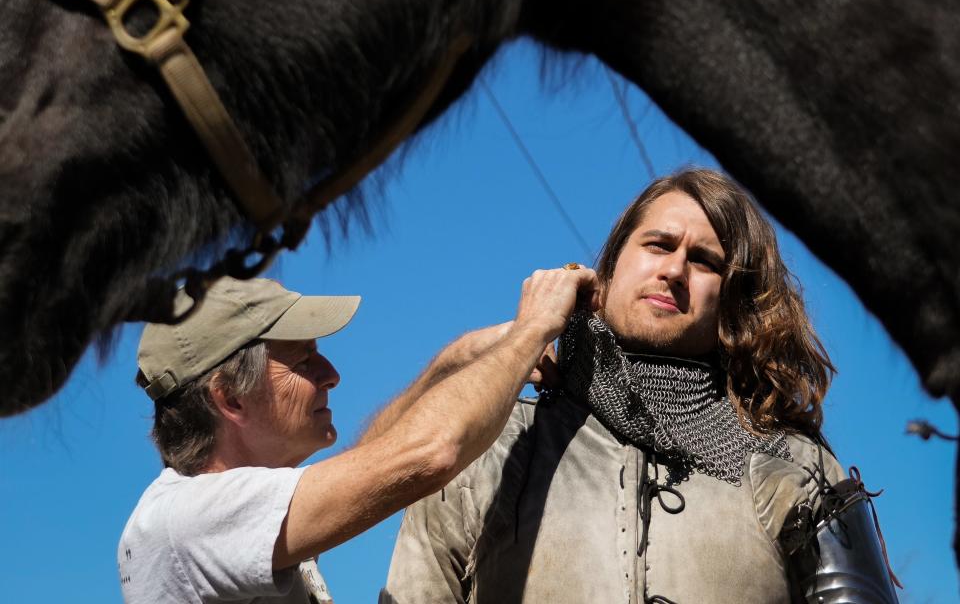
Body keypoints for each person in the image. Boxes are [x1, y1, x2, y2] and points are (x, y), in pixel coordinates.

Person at [381, 168, 901, 604]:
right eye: (658, 245)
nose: (675, 269)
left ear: (732, 301)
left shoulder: (793, 466)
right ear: (604, 275)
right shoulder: (492, 444)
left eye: (704, 261)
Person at [117, 264, 598, 603]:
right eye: (304, 360)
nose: (330, 374)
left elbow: (370, 462)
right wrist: (533, 330)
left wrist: (455, 363)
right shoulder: (186, 522)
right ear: (230, 399)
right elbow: (425, 454)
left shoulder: (221, 518)